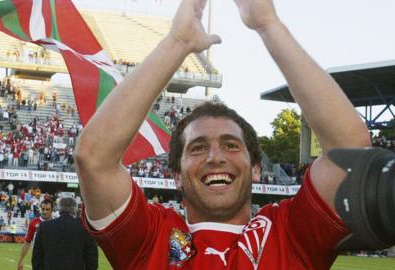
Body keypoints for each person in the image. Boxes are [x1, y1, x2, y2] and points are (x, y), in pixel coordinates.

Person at [74, 0, 371, 269]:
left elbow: (351, 152)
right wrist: (177, 42)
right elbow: (93, 158)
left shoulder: (290, 232)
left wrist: (268, 25)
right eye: (198, 148)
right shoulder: (150, 236)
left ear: (256, 168)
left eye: (230, 145)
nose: (215, 157)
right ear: (176, 174)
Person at [32, 197, 98, 270]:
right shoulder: (84, 227)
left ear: (58, 209)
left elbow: (36, 258)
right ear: (75, 209)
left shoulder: (44, 226)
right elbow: (92, 258)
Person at [17, 199, 54, 270]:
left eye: (47, 209)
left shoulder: (56, 223)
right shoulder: (34, 223)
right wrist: (21, 260)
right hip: (38, 259)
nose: (44, 211)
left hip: (53, 259)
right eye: (43, 209)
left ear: (52, 210)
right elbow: (27, 242)